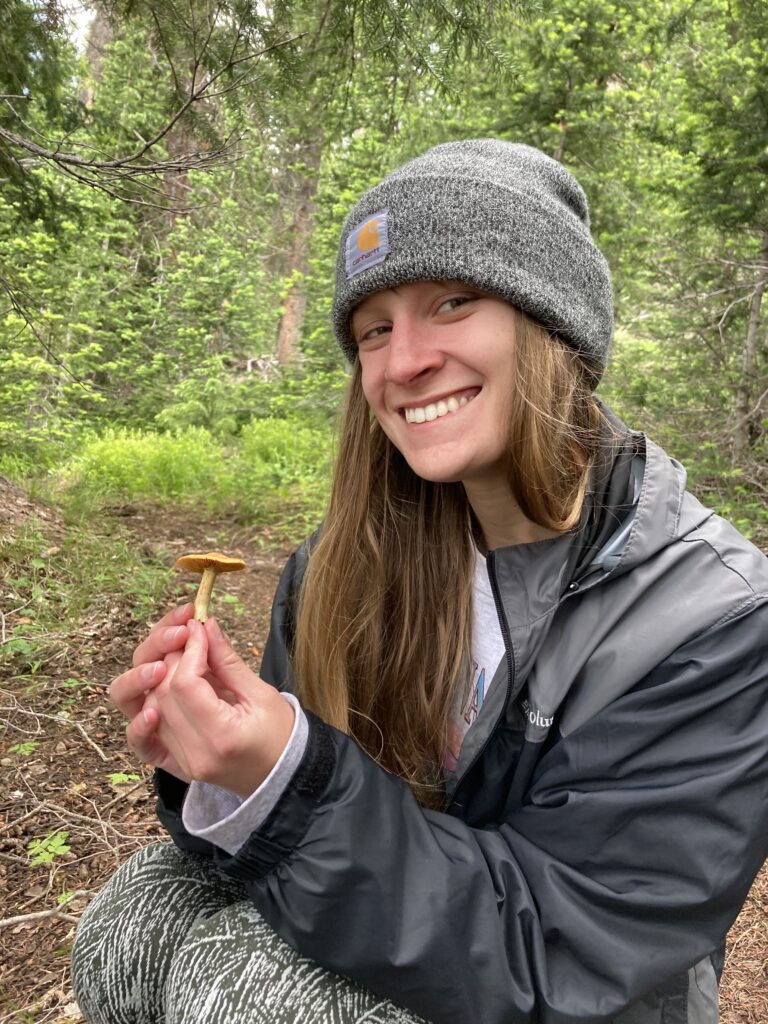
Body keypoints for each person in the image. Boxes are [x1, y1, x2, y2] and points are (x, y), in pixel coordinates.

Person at [71, 140, 768, 1024]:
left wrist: (288, 782)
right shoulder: (342, 565)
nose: (403, 364)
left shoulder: (712, 619)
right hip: (398, 918)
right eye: (373, 329)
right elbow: (304, 833)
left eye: (452, 301)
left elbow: (563, 948)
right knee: (128, 927)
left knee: (246, 995)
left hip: (572, 993)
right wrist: (221, 772)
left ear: (551, 321)